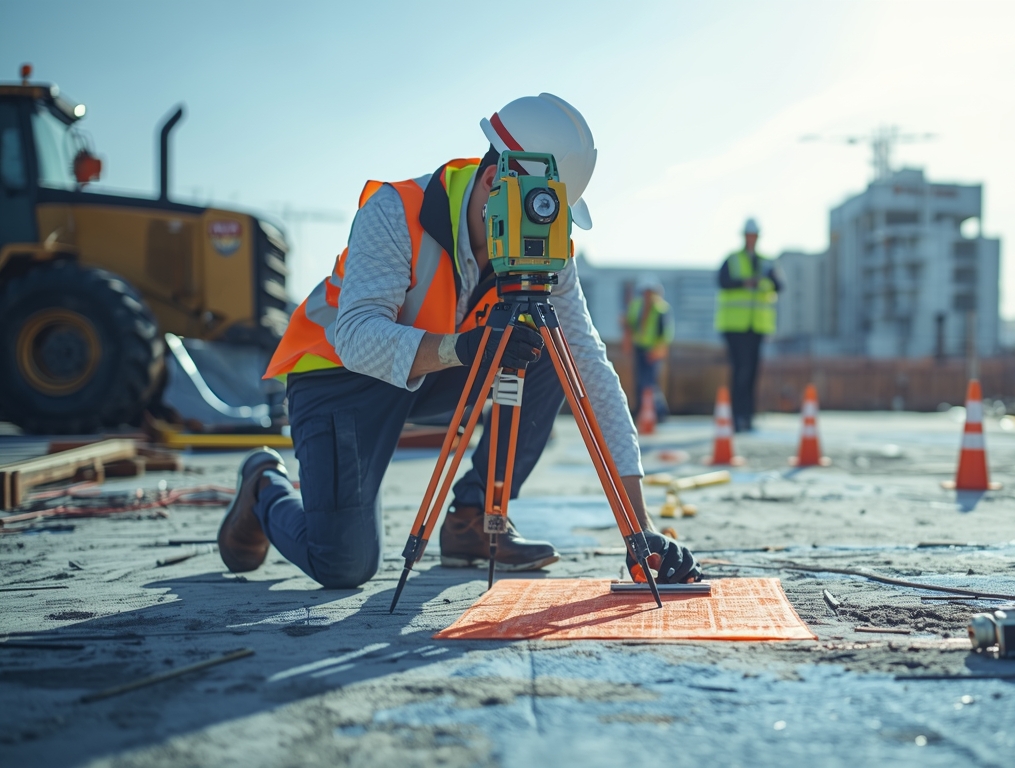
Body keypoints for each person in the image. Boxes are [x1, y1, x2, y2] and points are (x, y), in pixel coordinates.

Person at [216, 94, 700, 589]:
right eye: (540, 210)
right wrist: (459, 349)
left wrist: (641, 530)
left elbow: (591, 370)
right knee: (343, 562)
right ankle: (264, 486)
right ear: (494, 183)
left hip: (437, 371)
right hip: (341, 378)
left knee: (554, 358)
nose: (546, 228)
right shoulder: (395, 213)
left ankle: (473, 518)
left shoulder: (547, 252)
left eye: (552, 214)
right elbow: (357, 337)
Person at [714, 218, 782, 432]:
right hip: (735, 327)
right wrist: (744, 282)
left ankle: (748, 416)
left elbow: (780, 285)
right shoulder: (733, 259)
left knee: (752, 371)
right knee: (740, 370)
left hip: (757, 326)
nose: (751, 239)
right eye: (748, 235)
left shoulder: (766, 262)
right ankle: (736, 416)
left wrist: (764, 281)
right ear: (744, 236)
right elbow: (721, 281)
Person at [625, 275, 672, 422]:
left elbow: (666, 333)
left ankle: (658, 412)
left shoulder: (661, 309)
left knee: (650, 382)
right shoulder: (636, 306)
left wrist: (658, 350)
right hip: (639, 347)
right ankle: (642, 411)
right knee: (640, 381)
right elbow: (630, 326)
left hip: (653, 350)